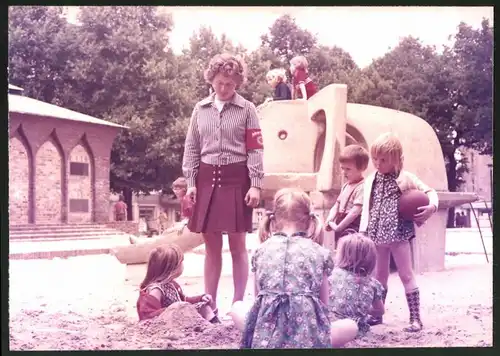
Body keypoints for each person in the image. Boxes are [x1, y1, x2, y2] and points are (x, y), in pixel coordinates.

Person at [182, 53, 264, 317]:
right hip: (207, 179)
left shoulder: (248, 109)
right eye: (220, 82)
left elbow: (255, 149)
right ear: (211, 79)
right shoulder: (200, 109)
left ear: (238, 82)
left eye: (230, 83)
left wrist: (256, 184)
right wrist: (191, 183)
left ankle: (238, 305)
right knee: (212, 248)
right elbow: (192, 148)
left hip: (237, 178)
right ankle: (210, 304)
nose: (224, 88)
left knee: (238, 247)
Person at [231, 188, 334, 349]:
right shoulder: (319, 252)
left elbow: (258, 298)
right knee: (351, 326)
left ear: (273, 220)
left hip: (266, 338)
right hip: (307, 338)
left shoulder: (260, 250)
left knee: (237, 307)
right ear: (308, 221)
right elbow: (324, 305)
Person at [359, 132, 438, 332]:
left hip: (398, 234)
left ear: (395, 159)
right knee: (379, 275)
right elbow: (366, 207)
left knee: (405, 274)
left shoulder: (406, 178)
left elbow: (429, 191)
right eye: (375, 158)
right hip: (376, 233)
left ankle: (415, 318)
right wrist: (363, 231)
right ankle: (377, 314)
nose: (377, 163)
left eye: (383, 159)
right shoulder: (371, 180)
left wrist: (432, 207)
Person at [328, 233, 385, 347]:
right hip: (358, 332)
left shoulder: (331, 275)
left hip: (332, 327)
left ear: (343, 255)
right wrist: (362, 308)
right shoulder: (373, 284)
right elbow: (380, 311)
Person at [136, 245, 219, 323]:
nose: (182, 265)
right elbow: (148, 315)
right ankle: (215, 327)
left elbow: (183, 300)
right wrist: (175, 310)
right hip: (167, 325)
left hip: (177, 320)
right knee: (202, 310)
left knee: (203, 307)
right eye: (180, 263)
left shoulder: (171, 284)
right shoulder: (156, 290)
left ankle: (216, 327)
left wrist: (200, 299)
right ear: (171, 268)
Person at [325, 145, 369, 248]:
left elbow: (354, 212)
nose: (344, 172)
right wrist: (330, 219)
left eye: (348, 169)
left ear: (362, 168)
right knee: (340, 249)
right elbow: (337, 204)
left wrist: (339, 227)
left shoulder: (362, 187)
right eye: (342, 168)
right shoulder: (346, 185)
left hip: (352, 224)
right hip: (341, 222)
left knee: (351, 250)